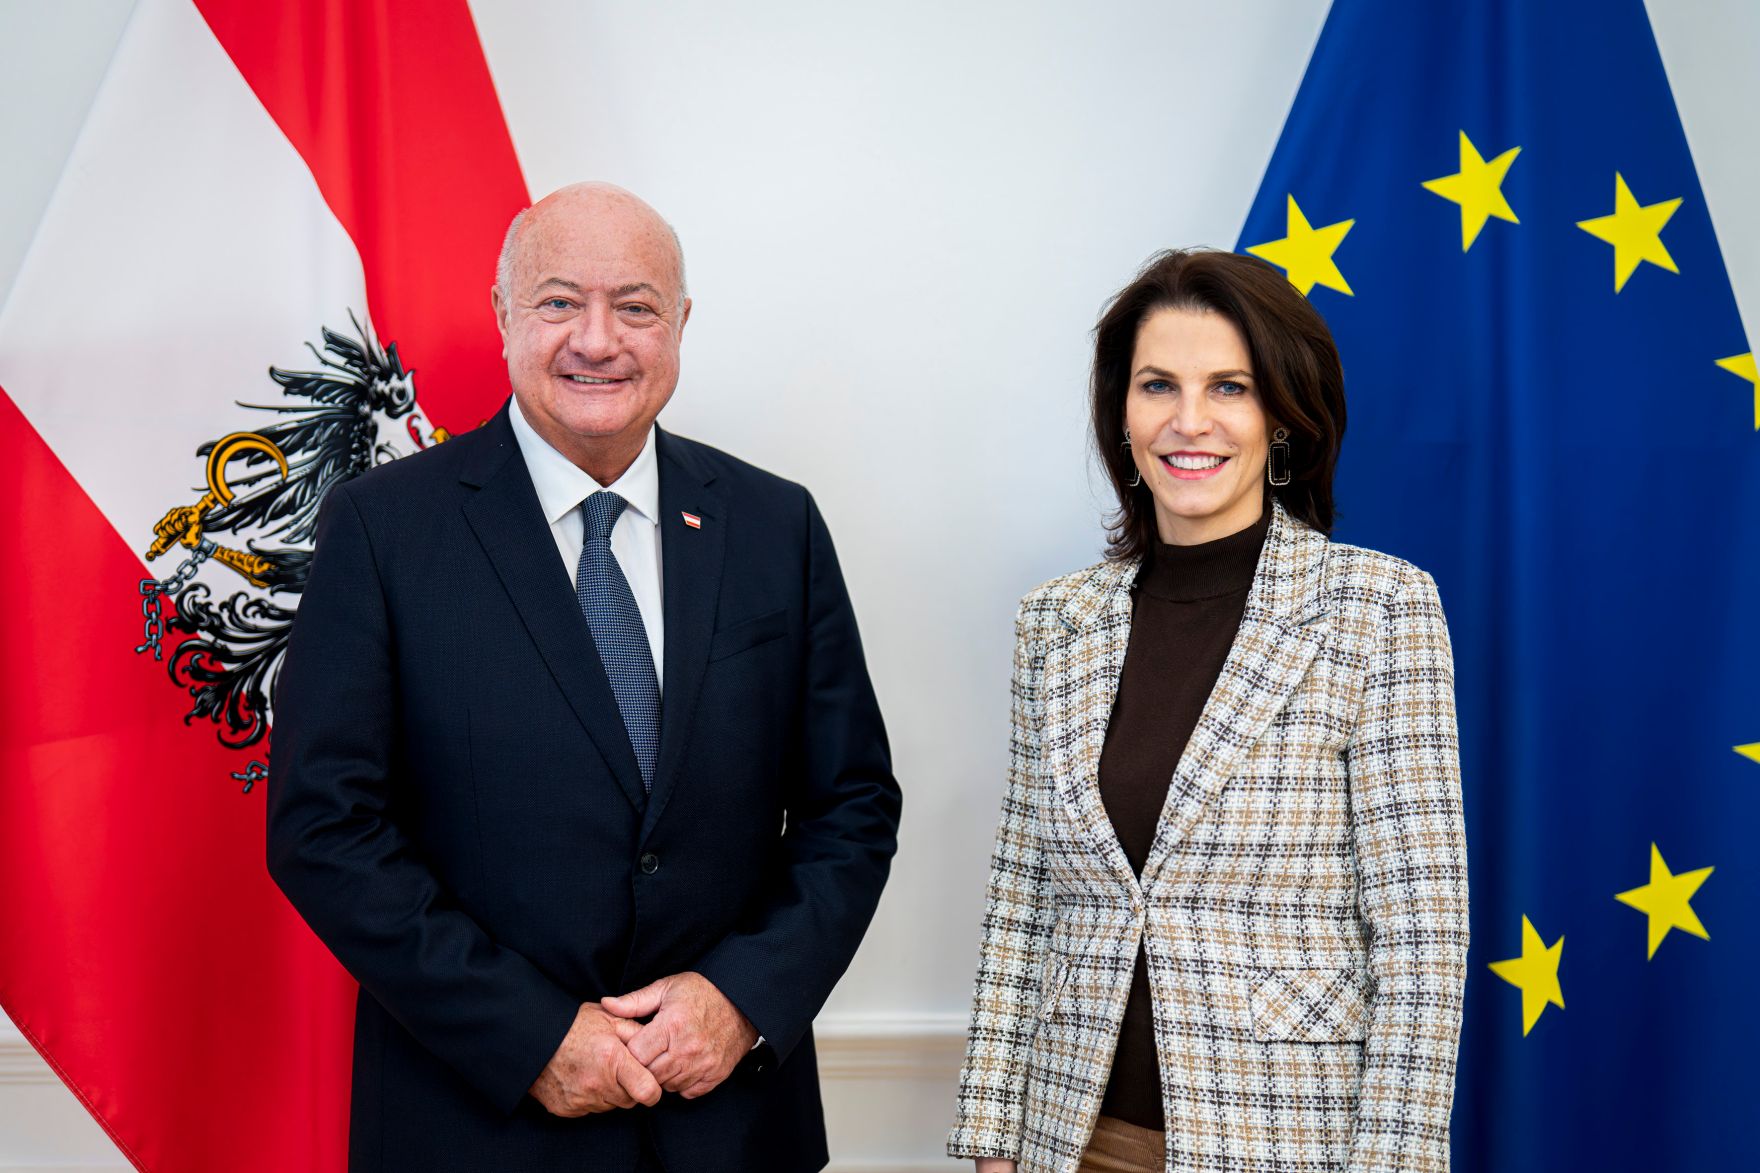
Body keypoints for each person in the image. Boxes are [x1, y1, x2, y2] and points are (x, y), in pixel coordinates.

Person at [268, 182, 901, 1172]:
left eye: (635, 306)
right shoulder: (382, 529)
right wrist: (528, 1036)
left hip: (729, 1126)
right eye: (559, 302)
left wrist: (738, 1000)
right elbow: (324, 829)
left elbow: (851, 808)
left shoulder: (775, 528)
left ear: (680, 324)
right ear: (503, 315)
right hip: (473, 1124)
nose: (597, 340)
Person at [947, 249, 1469, 1173]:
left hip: (1288, 1138)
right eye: (1158, 385)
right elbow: (1024, 901)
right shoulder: (1056, 622)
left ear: (1282, 418)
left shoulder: (1379, 609)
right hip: (1074, 1137)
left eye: (1229, 386)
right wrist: (994, 1139)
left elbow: (1422, 934)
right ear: (1122, 415)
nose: (1190, 421)